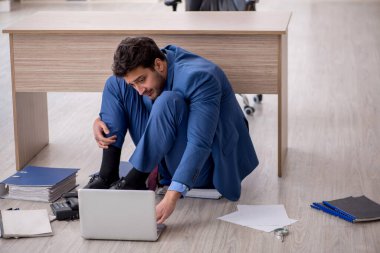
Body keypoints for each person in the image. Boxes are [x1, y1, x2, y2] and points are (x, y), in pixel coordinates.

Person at [85, 37, 259, 224]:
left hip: (205, 164)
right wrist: (101, 119)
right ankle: (107, 175)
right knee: (115, 83)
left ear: (159, 65)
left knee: (168, 101)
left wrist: (171, 196)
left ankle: (133, 182)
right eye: (134, 84)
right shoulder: (154, 70)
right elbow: (140, 98)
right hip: (165, 148)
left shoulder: (200, 78)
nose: (139, 90)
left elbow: (199, 142)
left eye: (141, 80)